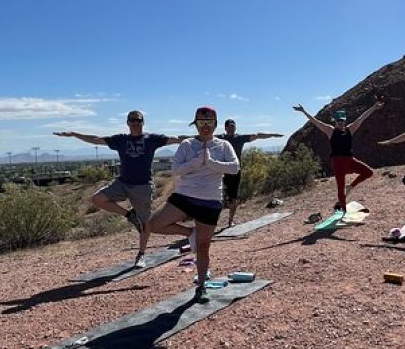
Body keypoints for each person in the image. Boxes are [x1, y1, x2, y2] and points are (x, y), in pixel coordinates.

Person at [54, 111, 186, 267]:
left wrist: (200, 137)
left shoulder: (152, 139)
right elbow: (96, 140)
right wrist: (75, 134)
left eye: (139, 120)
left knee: (145, 224)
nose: (136, 123)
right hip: (122, 182)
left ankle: (141, 255)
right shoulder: (120, 140)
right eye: (133, 120)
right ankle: (130, 215)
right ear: (128, 122)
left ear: (143, 122)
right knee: (98, 198)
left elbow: (177, 139)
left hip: (143, 186)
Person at [146, 106, 239, 303]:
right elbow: (176, 170)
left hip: (210, 199)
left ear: (215, 124)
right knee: (153, 224)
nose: (206, 126)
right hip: (185, 196)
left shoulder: (223, 146)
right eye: (202, 122)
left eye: (210, 123)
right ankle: (189, 233)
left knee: (204, 247)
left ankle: (201, 286)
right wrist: (196, 163)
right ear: (195, 123)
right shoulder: (187, 145)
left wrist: (213, 163)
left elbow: (234, 167)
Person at [293, 99, 383, 212]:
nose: (341, 123)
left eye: (343, 121)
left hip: (350, 160)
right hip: (337, 162)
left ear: (345, 121)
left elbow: (362, 118)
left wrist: (374, 107)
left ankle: (350, 186)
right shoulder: (330, 131)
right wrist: (304, 111)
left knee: (368, 172)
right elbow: (316, 122)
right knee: (340, 188)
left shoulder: (350, 129)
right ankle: (344, 210)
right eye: (339, 121)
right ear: (335, 121)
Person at [218, 119, 283, 227]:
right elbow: (201, 138)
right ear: (225, 128)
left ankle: (230, 221)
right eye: (229, 126)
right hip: (221, 171)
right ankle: (211, 222)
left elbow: (257, 135)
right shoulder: (220, 138)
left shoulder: (239, 138)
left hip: (235, 172)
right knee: (217, 197)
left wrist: (273, 135)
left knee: (233, 197)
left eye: (233, 126)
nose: (231, 128)